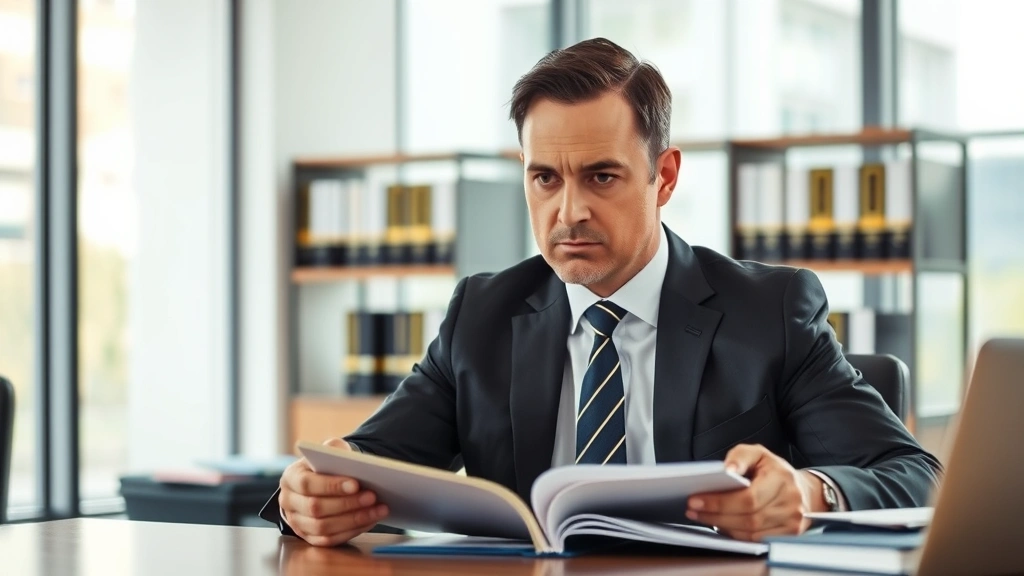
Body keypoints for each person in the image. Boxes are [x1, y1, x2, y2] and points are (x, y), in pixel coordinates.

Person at [265, 38, 942, 547]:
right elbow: (367, 463)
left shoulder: (771, 313)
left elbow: (914, 474)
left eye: (602, 177)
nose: (568, 213)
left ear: (665, 176)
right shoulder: (484, 315)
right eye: (545, 180)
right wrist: (313, 497)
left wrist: (805, 491)